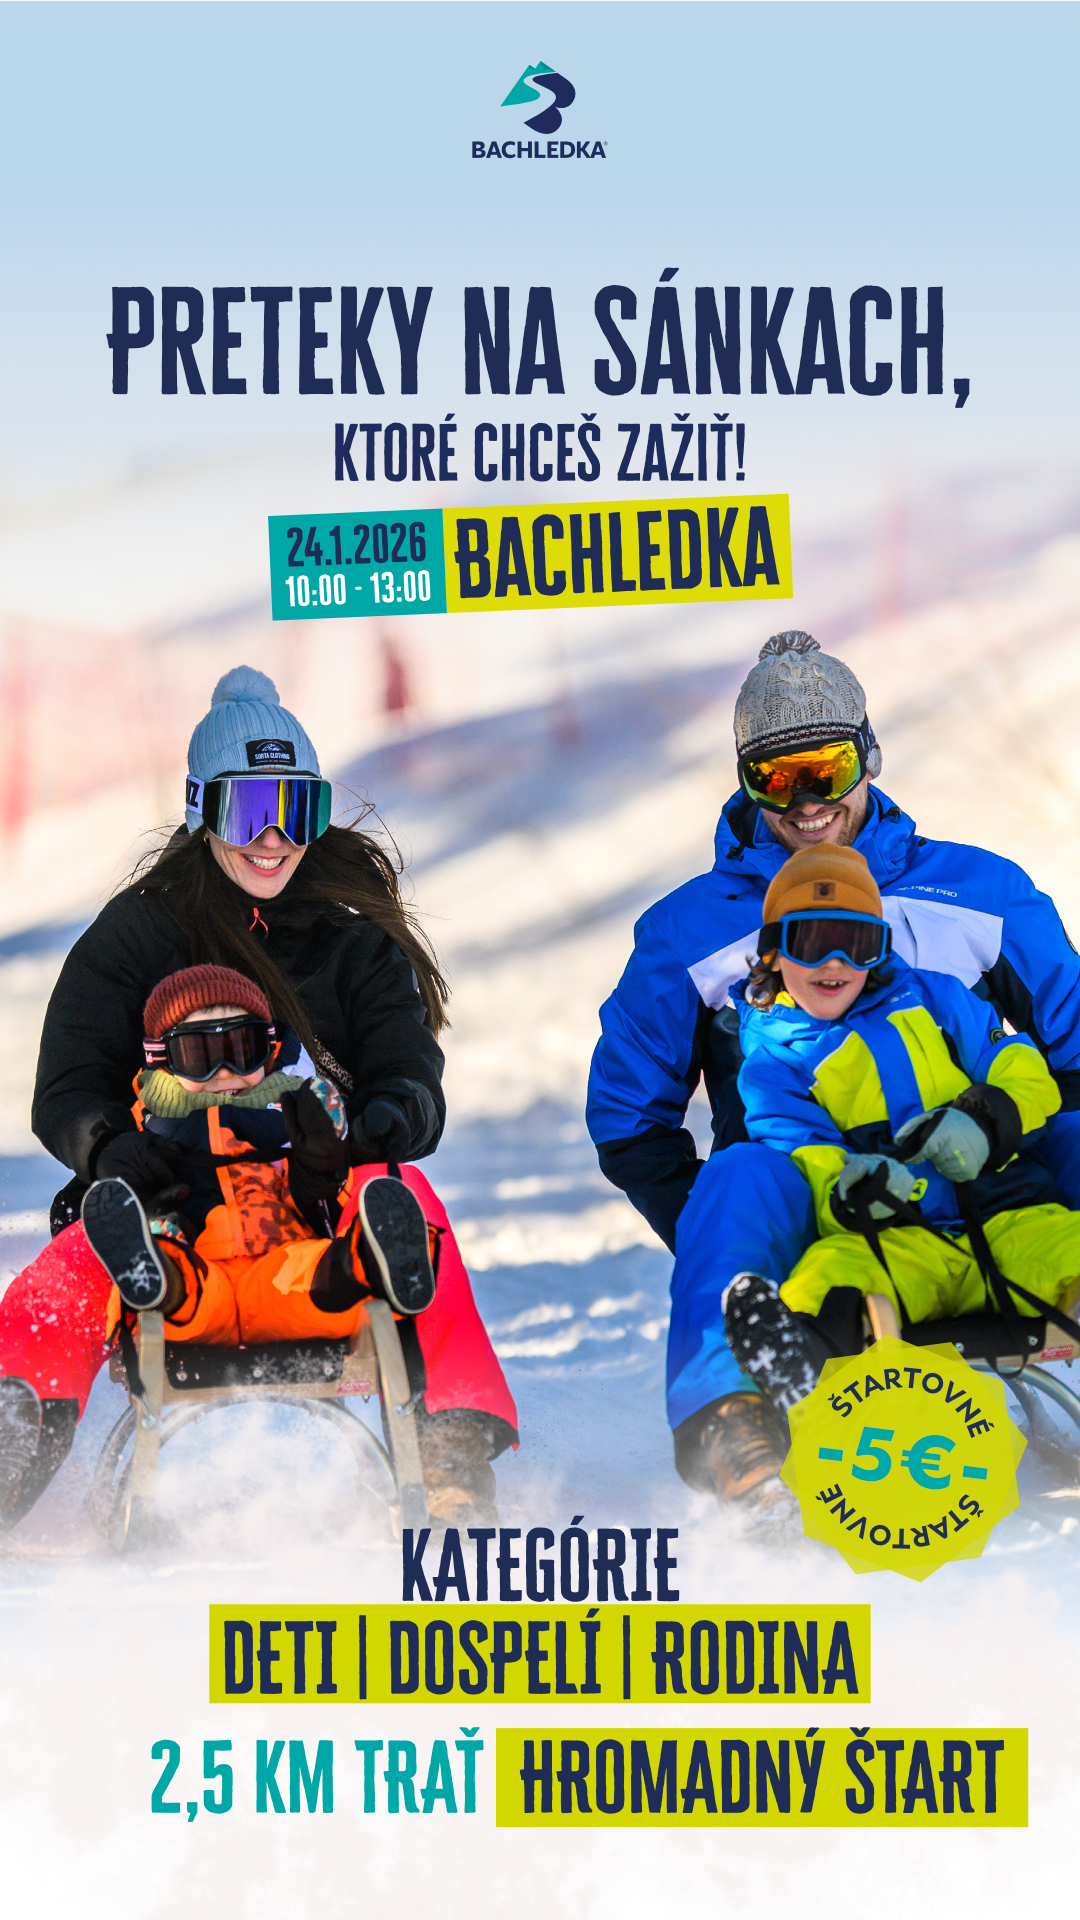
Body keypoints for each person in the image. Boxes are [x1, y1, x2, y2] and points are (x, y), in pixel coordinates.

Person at [1, 665, 517, 1531]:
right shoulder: (137, 935)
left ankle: (451, 1454)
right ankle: (12, 1428)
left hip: (312, 1203)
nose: (274, 837)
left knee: (402, 1203)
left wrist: (369, 1135)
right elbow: (69, 1084)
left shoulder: (351, 945)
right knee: (98, 1236)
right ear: (201, 809)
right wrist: (109, 1149)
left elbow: (408, 1074)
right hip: (169, 1200)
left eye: (298, 809)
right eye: (248, 812)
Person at [586, 630, 1080, 1521]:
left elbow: (1071, 1050)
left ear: (868, 754)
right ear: (746, 780)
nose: (806, 801)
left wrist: (1006, 1134)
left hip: (990, 1171)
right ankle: (737, 1417)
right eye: (776, 778)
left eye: (827, 768)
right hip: (820, 1191)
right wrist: (731, 1235)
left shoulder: (977, 892)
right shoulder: (691, 932)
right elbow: (631, 1120)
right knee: (738, 1179)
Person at [721, 844, 1080, 1432]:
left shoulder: (940, 1000)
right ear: (773, 952)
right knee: (828, 1277)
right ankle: (791, 1367)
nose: (834, 962)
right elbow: (803, 1157)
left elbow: (1024, 1071)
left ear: (880, 949)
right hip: (896, 1246)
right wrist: (854, 1185)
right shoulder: (774, 1068)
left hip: (1011, 1223)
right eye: (810, 942)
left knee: (1071, 1247)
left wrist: (984, 1120)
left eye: (857, 943)